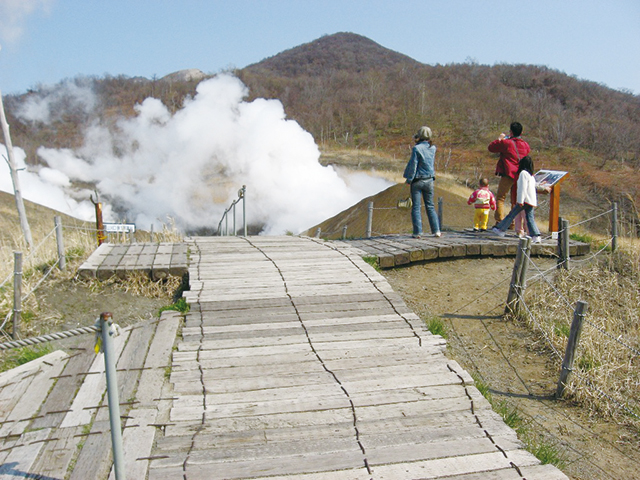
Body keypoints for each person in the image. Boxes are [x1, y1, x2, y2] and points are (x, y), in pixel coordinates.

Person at [491, 156, 548, 243]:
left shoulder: (523, 174)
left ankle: (500, 229)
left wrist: (520, 200)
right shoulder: (530, 175)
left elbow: (522, 188)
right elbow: (533, 187)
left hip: (524, 200)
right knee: (529, 218)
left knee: (511, 215)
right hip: (531, 200)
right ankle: (535, 235)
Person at [488, 122, 531, 226]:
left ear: (511, 132)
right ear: (522, 132)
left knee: (500, 198)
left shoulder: (507, 143)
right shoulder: (525, 145)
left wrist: (500, 139)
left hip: (508, 173)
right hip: (521, 175)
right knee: (516, 200)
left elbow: (491, 148)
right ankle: (513, 223)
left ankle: (500, 221)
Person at [403, 126, 441, 238]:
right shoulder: (433, 148)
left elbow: (413, 165)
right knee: (430, 206)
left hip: (417, 180)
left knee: (416, 207)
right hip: (429, 180)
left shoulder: (416, 149)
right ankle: (436, 231)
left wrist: (409, 179)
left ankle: (418, 232)